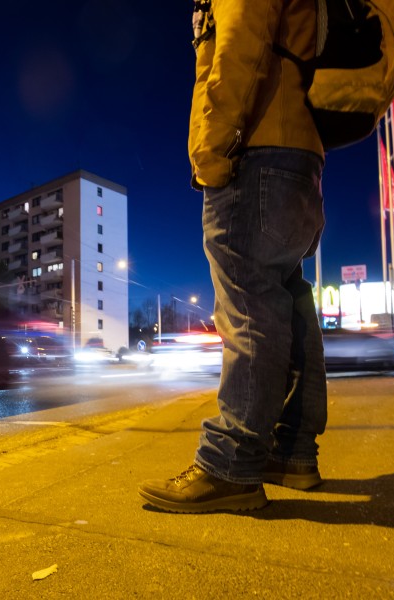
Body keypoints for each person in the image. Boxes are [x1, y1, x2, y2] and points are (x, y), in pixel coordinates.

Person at [138, 0, 328, 513]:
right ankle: (292, 452)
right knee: (288, 299)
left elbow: (240, 43)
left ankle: (231, 465)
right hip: (300, 153)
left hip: (257, 150)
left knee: (248, 304)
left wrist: (210, 151)